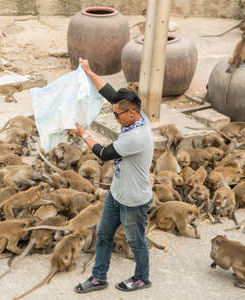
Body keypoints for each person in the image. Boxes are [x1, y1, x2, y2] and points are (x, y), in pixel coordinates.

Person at [72, 58, 154, 293]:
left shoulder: (136, 137)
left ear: (131, 114)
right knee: (104, 233)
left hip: (134, 200)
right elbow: (110, 93)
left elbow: (104, 153)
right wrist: (89, 72)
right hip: (117, 193)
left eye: (117, 115)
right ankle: (98, 277)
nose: (115, 118)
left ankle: (142, 277)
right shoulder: (133, 115)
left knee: (135, 240)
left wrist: (82, 133)